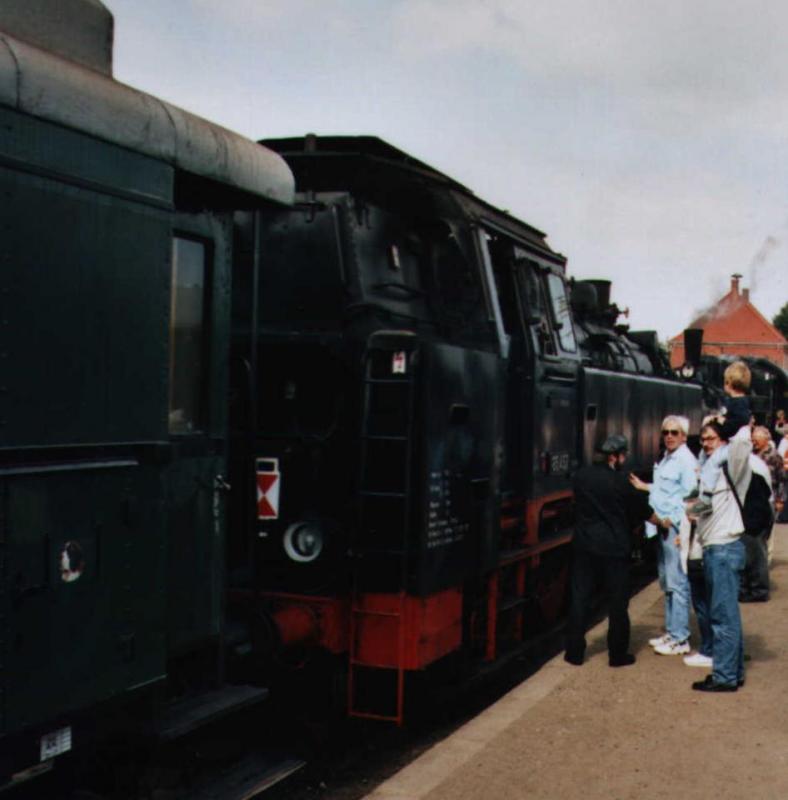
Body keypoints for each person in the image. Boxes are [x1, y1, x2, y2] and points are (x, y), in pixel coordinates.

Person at [565, 434, 664, 668]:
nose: (624, 459)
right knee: (618, 603)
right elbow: (643, 510)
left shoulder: (581, 477)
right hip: (614, 549)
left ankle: (574, 653)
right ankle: (617, 655)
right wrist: (663, 522)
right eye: (623, 455)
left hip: (584, 546)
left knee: (579, 598)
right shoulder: (621, 482)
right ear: (614, 456)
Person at [688, 421, 752, 692]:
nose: (706, 443)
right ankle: (732, 672)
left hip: (723, 548)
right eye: (703, 439)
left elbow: (742, 442)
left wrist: (737, 408)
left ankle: (724, 677)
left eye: (712, 438)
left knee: (722, 617)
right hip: (719, 547)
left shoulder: (731, 463)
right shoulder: (712, 469)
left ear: (724, 440)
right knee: (728, 615)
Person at [629, 416, 697, 655]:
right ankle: (672, 632)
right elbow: (667, 490)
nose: (669, 436)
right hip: (662, 526)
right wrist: (644, 486)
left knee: (677, 583)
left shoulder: (686, 461)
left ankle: (680, 638)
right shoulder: (668, 457)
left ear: (684, 436)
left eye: (674, 432)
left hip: (674, 528)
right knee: (667, 581)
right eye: (665, 432)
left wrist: (683, 529)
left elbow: (691, 497)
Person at [694, 361, 751, 515]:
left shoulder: (739, 404)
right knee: (702, 455)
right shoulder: (734, 402)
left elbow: (736, 423)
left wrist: (721, 422)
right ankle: (697, 483)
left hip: (731, 445)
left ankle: (706, 498)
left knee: (713, 463)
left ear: (728, 383)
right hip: (729, 441)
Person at [742, 426, 783, 594]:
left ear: (766, 440)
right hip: (755, 501)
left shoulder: (774, 457)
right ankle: (759, 570)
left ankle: (763, 570)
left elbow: (781, 479)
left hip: (769, 499)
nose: (754, 442)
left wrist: (780, 499)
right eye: (753, 439)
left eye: (757, 440)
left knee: (766, 540)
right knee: (757, 542)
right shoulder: (751, 455)